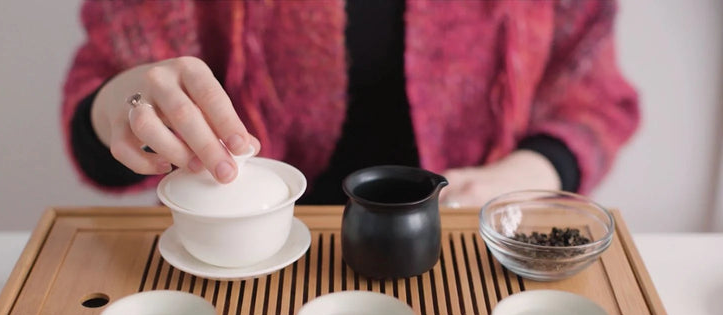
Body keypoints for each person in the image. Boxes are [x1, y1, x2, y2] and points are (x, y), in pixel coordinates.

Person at [61, 0, 639, 207]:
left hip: (466, 246)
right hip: (248, 262)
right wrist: (122, 104)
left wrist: (521, 174)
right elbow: (105, 130)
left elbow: (592, 101)